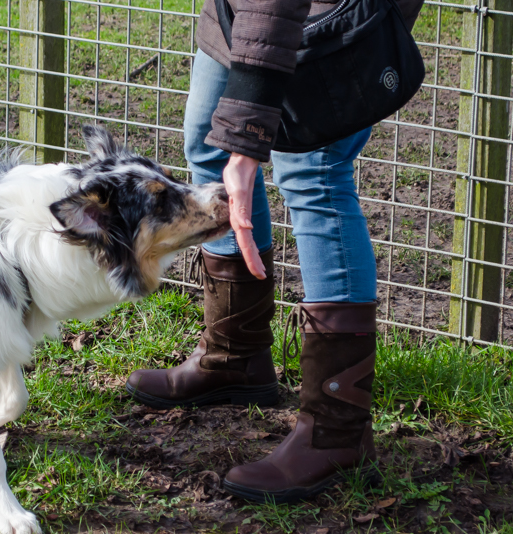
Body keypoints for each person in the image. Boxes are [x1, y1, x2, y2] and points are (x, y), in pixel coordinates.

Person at [126, 0, 424, 503]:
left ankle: (336, 431)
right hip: (250, 13)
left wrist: (248, 144)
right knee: (208, 142)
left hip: (327, 13)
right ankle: (234, 358)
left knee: (313, 174)